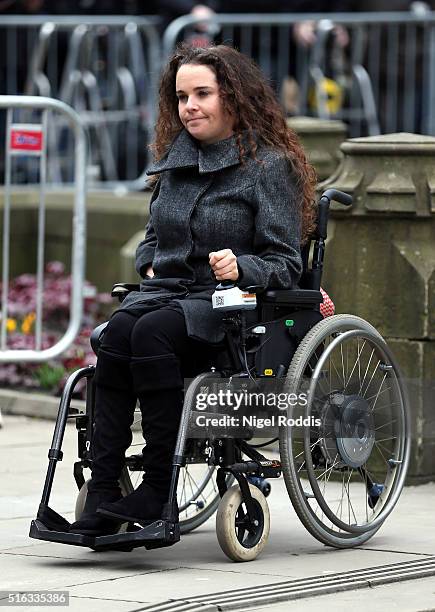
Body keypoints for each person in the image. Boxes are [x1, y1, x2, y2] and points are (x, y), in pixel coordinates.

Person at [69, 43, 316, 536]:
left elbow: (286, 262)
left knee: (151, 335)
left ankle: (158, 487)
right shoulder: (173, 162)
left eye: (203, 93)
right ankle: (102, 490)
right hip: (172, 292)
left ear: (234, 98)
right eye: (182, 96)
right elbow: (153, 240)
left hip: (234, 307)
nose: (190, 107)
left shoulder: (269, 167)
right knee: (116, 334)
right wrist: (151, 263)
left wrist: (240, 265)